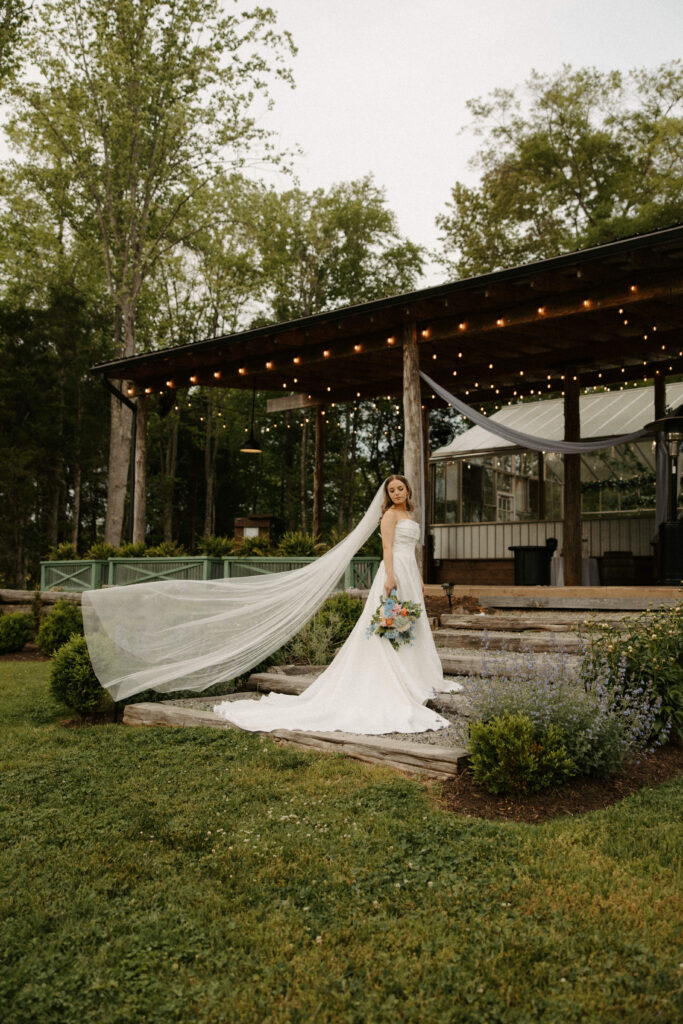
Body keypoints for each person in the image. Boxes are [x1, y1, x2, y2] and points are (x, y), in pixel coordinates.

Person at [213, 475, 456, 735]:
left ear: (408, 490)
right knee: (391, 625)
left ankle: (414, 672)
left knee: (409, 623)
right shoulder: (388, 516)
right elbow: (387, 549)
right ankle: (393, 675)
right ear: (387, 494)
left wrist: (418, 577)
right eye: (392, 490)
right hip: (394, 573)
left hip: (409, 571)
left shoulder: (408, 514)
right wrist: (389, 577)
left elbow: (412, 551)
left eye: (400, 488)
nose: (397, 493)